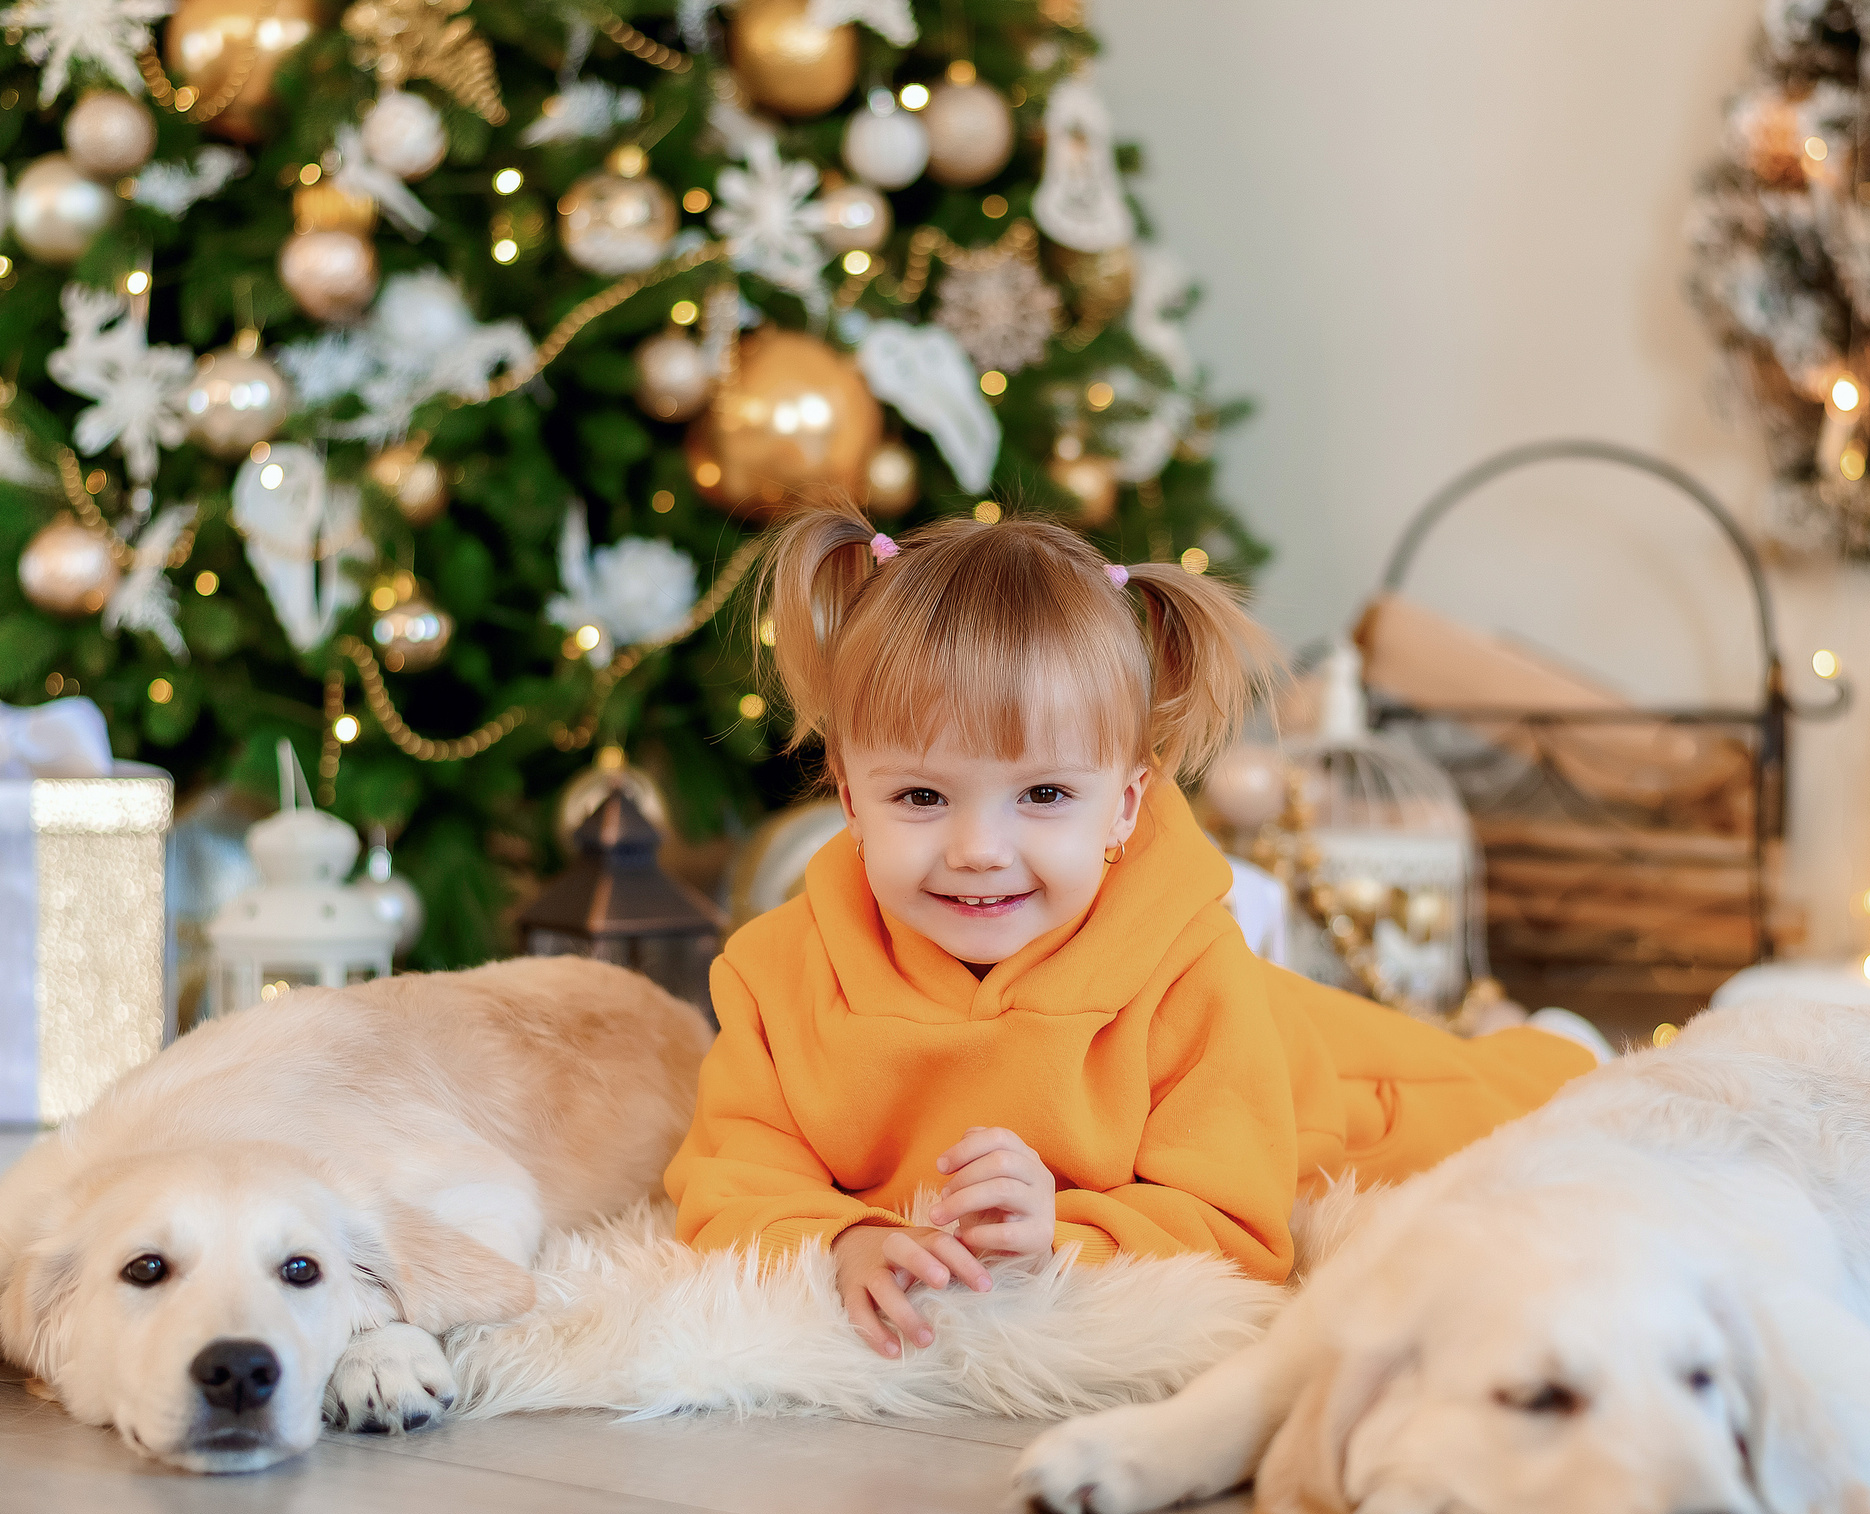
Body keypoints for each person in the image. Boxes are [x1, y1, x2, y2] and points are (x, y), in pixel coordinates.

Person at [663, 505, 1595, 1356]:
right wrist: (846, 1236)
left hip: (1320, 1074)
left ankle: (1555, 1046)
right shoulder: (775, 974)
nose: (979, 849)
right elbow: (731, 1175)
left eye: (1044, 794)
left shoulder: (1189, 971)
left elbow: (1234, 1221)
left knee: (1512, 1101)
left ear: (1123, 806)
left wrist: (1061, 1236)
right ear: (849, 791)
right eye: (919, 795)